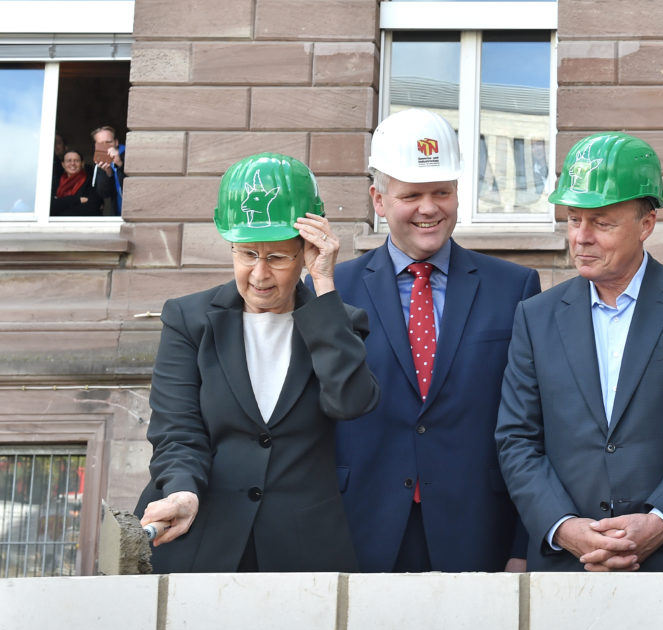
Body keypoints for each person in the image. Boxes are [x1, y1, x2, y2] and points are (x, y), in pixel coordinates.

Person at [496, 132, 663, 572]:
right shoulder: (535, 317)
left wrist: (661, 521)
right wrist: (563, 527)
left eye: (602, 223)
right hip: (571, 563)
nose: (581, 237)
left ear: (646, 224)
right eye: (574, 219)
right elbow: (516, 438)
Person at [135, 153, 380, 573]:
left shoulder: (338, 322)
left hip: (301, 548)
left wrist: (323, 283)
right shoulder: (188, 319)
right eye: (247, 254)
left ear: (306, 251)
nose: (259, 274)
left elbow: (350, 402)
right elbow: (177, 429)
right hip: (201, 535)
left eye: (278, 258)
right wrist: (182, 490)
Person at [327, 108, 541, 573]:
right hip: (359, 529)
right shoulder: (332, 290)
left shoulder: (514, 288)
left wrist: (523, 545)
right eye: (411, 195)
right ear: (378, 199)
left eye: (442, 191)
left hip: (480, 530)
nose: (429, 208)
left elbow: (535, 422)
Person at [50, 149, 102, 217]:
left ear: (82, 164)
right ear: (63, 164)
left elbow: (92, 208)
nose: (72, 164)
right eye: (69, 161)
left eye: (76, 161)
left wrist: (61, 204)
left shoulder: (91, 183)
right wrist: (77, 200)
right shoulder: (56, 183)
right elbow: (50, 207)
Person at [91, 125, 125, 216]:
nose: (105, 147)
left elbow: (134, 186)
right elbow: (105, 194)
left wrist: (119, 164)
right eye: (101, 144)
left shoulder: (127, 154)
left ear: (116, 142)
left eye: (108, 142)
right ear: (96, 146)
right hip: (118, 214)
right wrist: (108, 172)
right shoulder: (100, 161)